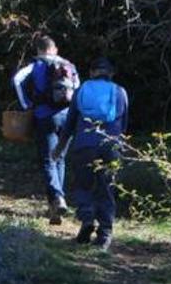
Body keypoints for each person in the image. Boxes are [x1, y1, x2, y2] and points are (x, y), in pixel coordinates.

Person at [53, 57, 128, 250]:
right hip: (110, 145)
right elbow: (124, 124)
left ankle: (87, 220)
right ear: (111, 73)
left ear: (92, 72)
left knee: (83, 185)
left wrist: (59, 147)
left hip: (84, 145)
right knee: (106, 187)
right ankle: (105, 234)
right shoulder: (120, 92)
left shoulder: (81, 91)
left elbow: (69, 124)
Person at [12, 36, 80, 224]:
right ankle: (55, 210)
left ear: (39, 50)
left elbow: (17, 80)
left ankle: (57, 197)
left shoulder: (36, 65)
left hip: (45, 117)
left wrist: (26, 104)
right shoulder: (68, 65)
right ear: (55, 49)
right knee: (60, 159)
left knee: (48, 160)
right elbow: (77, 87)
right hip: (67, 117)